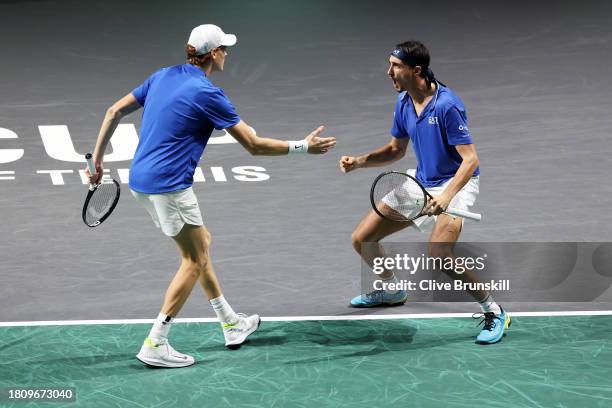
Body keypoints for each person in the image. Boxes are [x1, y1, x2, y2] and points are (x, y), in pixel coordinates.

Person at [87, 24, 336, 367]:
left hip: (141, 181)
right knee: (194, 259)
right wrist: (302, 147)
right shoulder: (208, 93)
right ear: (213, 54)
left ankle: (231, 323)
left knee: (201, 243)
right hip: (170, 186)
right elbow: (254, 145)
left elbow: (113, 112)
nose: (227, 53)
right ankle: (155, 342)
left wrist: (97, 162)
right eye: (224, 48)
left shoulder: (162, 76)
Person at [339, 40, 510, 344]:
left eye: (395, 66)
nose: (388, 72)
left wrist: (446, 197)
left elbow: (470, 160)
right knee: (362, 240)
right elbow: (395, 150)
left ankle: (494, 310)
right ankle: (391, 289)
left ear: (416, 70)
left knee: (440, 254)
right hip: (422, 182)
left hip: (456, 182)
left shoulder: (446, 105)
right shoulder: (404, 102)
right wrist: (359, 162)